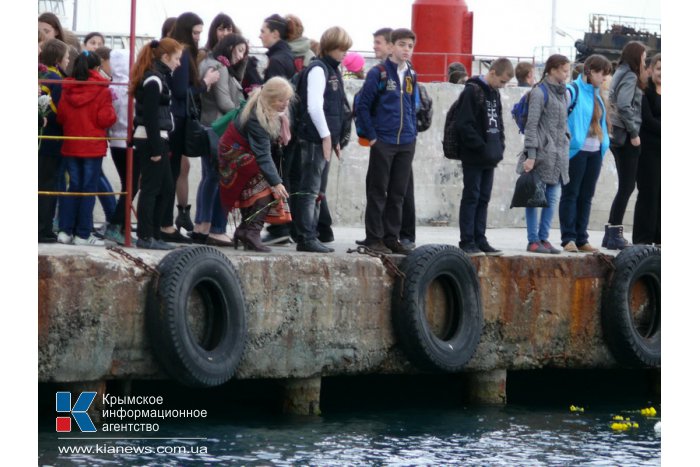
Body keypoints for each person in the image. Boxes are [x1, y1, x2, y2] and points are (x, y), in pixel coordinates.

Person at [355, 28, 419, 255]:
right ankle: (374, 238)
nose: (406, 50)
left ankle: (392, 237)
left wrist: (412, 134)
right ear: (391, 46)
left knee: (398, 193)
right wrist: (372, 137)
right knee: (378, 191)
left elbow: (412, 106)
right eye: (402, 45)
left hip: (406, 142)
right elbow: (363, 105)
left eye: (410, 46)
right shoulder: (379, 73)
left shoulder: (411, 74)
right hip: (383, 140)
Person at [292, 26, 353, 253]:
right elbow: (315, 107)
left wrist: (335, 139)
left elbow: (335, 107)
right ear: (330, 47)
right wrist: (327, 137)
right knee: (310, 189)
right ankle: (306, 237)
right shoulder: (319, 69)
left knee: (318, 191)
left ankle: (312, 232)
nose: (345, 53)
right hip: (313, 139)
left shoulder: (334, 70)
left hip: (325, 138)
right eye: (341, 48)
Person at [218, 77, 293, 252]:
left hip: (246, 153)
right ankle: (251, 232)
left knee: (263, 186)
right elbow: (263, 155)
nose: (285, 104)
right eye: (281, 100)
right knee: (265, 188)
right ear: (270, 99)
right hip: (234, 154)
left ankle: (245, 231)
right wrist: (276, 182)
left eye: (287, 100)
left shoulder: (266, 110)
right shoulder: (257, 118)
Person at [164, 12, 220, 242]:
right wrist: (205, 84)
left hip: (174, 119)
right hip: (177, 120)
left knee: (172, 172)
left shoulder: (180, 51)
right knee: (172, 172)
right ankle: (165, 226)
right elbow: (180, 92)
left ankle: (165, 224)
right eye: (195, 32)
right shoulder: (184, 53)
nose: (198, 37)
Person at [192, 34, 249, 247]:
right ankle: (213, 229)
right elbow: (225, 102)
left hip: (205, 126)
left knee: (208, 178)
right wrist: (245, 111)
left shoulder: (206, 62)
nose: (242, 56)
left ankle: (201, 225)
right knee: (218, 179)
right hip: (219, 128)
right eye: (240, 51)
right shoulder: (220, 67)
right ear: (231, 47)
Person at [56, 51, 117, 246]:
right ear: (96, 68)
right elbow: (105, 119)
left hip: (71, 144)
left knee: (73, 187)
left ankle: (65, 231)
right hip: (92, 146)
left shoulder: (67, 88)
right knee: (88, 189)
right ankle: (83, 234)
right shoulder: (102, 89)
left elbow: (61, 117)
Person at [454, 58, 513, 256]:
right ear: (493, 72)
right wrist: (481, 146)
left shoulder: (494, 92)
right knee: (472, 196)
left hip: (490, 156)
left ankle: (480, 238)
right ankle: (467, 240)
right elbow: (464, 124)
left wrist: (500, 146)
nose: (503, 86)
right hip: (474, 155)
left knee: (484, 198)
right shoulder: (472, 90)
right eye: (502, 81)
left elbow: (499, 123)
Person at [129, 38, 183, 250]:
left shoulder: (158, 77)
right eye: (176, 59)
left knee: (167, 188)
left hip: (157, 138)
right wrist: (156, 147)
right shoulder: (154, 80)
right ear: (165, 57)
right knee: (152, 189)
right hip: (152, 139)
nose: (178, 63)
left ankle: (153, 233)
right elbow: (150, 116)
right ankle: (145, 235)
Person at [559, 54, 613, 253]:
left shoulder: (597, 94)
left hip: (594, 151)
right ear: (589, 71)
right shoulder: (572, 90)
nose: (604, 78)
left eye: (606, 74)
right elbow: (559, 116)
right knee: (571, 194)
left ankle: (582, 238)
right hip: (576, 151)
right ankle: (568, 238)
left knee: (586, 195)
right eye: (601, 73)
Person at [520, 54, 571, 254]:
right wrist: (531, 155)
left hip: (558, 155)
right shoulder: (540, 93)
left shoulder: (563, 93)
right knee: (534, 198)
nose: (567, 74)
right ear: (552, 70)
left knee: (552, 199)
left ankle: (544, 238)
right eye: (565, 70)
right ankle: (533, 240)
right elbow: (531, 126)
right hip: (541, 155)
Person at [603, 41, 647, 250]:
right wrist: (634, 132)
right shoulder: (629, 75)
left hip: (616, 135)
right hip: (627, 137)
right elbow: (624, 105)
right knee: (627, 186)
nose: (644, 61)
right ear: (636, 56)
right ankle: (614, 233)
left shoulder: (620, 72)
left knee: (625, 186)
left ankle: (611, 233)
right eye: (643, 57)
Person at [257, 14, 296, 245]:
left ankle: (280, 226)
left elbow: (273, 98)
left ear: (275, 34)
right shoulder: (285, 56)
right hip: (282, 129)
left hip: (275, 129)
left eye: (263, 30)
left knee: (275, 175)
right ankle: (280, 225)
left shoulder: (278, 60)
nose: (260, 35)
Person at [104, 49, 138, 245]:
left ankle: (121, 225)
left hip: (115, 140)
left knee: (128, 183)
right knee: (132, 184)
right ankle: (116, 224)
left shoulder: (111, 86)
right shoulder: (128, 88)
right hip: (128, 140)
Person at [38, 39, 70, 243]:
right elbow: (60, 112)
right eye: (67, 57)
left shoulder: (41, 76)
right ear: (59, 60)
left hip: (43, 136)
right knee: (48, 185)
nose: (68, 61)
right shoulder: (56, 80)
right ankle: (43, 228)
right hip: (51, 139)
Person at [633, 53, 660, 246]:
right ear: (651, 70)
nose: (662, 73)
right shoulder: (645, 92)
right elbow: (648, 121)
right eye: (659, 69)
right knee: (648, 193)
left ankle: (659, 237)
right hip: (648, 152)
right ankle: (643, 238)